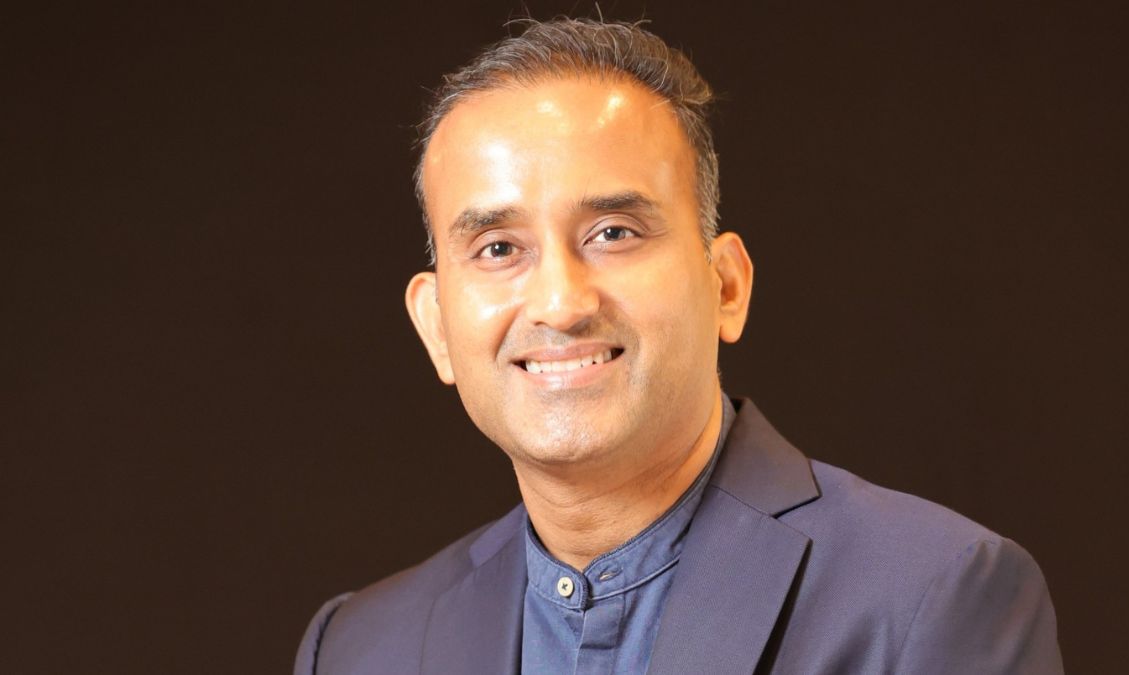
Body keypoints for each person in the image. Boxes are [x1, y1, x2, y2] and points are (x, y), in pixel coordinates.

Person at [295, 17, 1062, 675]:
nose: (561, 302)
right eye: (498, 248)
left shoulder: (930, 597)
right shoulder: (359, 648)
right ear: (435, 326)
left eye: (613, 233)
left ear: (726, 285)